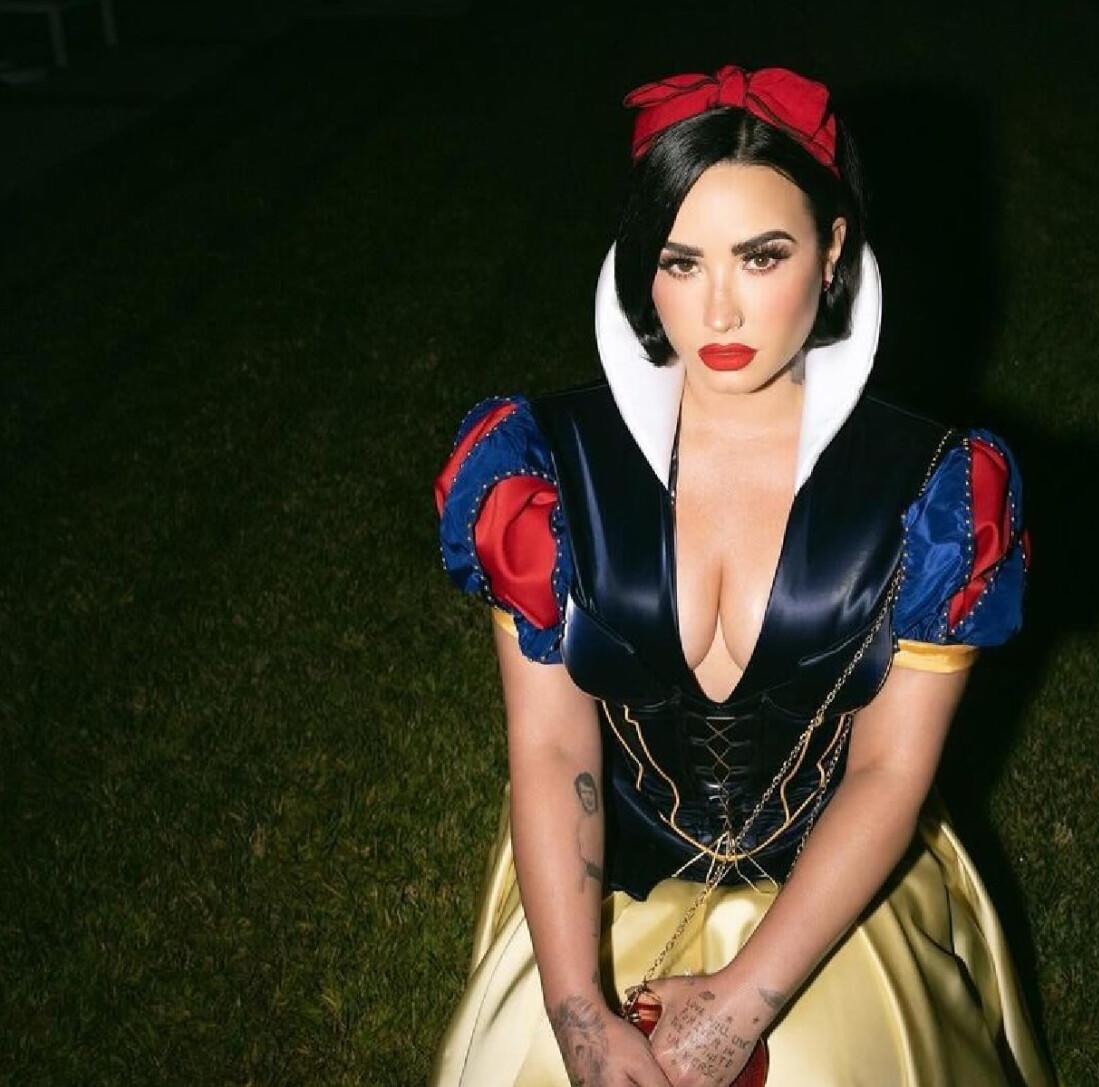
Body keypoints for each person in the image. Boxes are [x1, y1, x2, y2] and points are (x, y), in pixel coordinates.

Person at [430, 63, 1055, 1087]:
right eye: (680, 263)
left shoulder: (935, 490)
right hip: (604, 877)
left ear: (833, 250)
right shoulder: (539, 468)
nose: (717, 310)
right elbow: (550, 747)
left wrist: (743, 1004)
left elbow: (888, 774)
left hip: (835, 888)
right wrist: (579, 1011)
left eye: (761, 256)